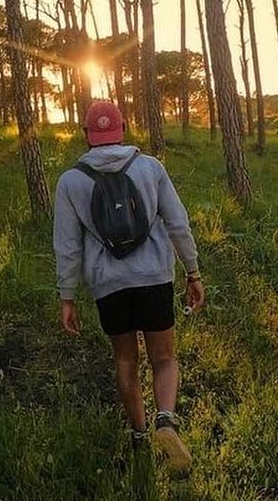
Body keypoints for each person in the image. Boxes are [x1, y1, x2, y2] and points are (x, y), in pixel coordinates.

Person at [53, 100, 205, 473]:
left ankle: (138, 436)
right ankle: (165, 421)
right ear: (123, 128)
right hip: (154, 276)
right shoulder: (150, 168)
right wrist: (193, 271)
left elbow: (68, 245)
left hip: (109, 285)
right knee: (164, 358)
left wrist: (67, 295)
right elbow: (177, 223)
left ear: (88, 135)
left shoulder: (71, 181)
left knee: (126, 360)